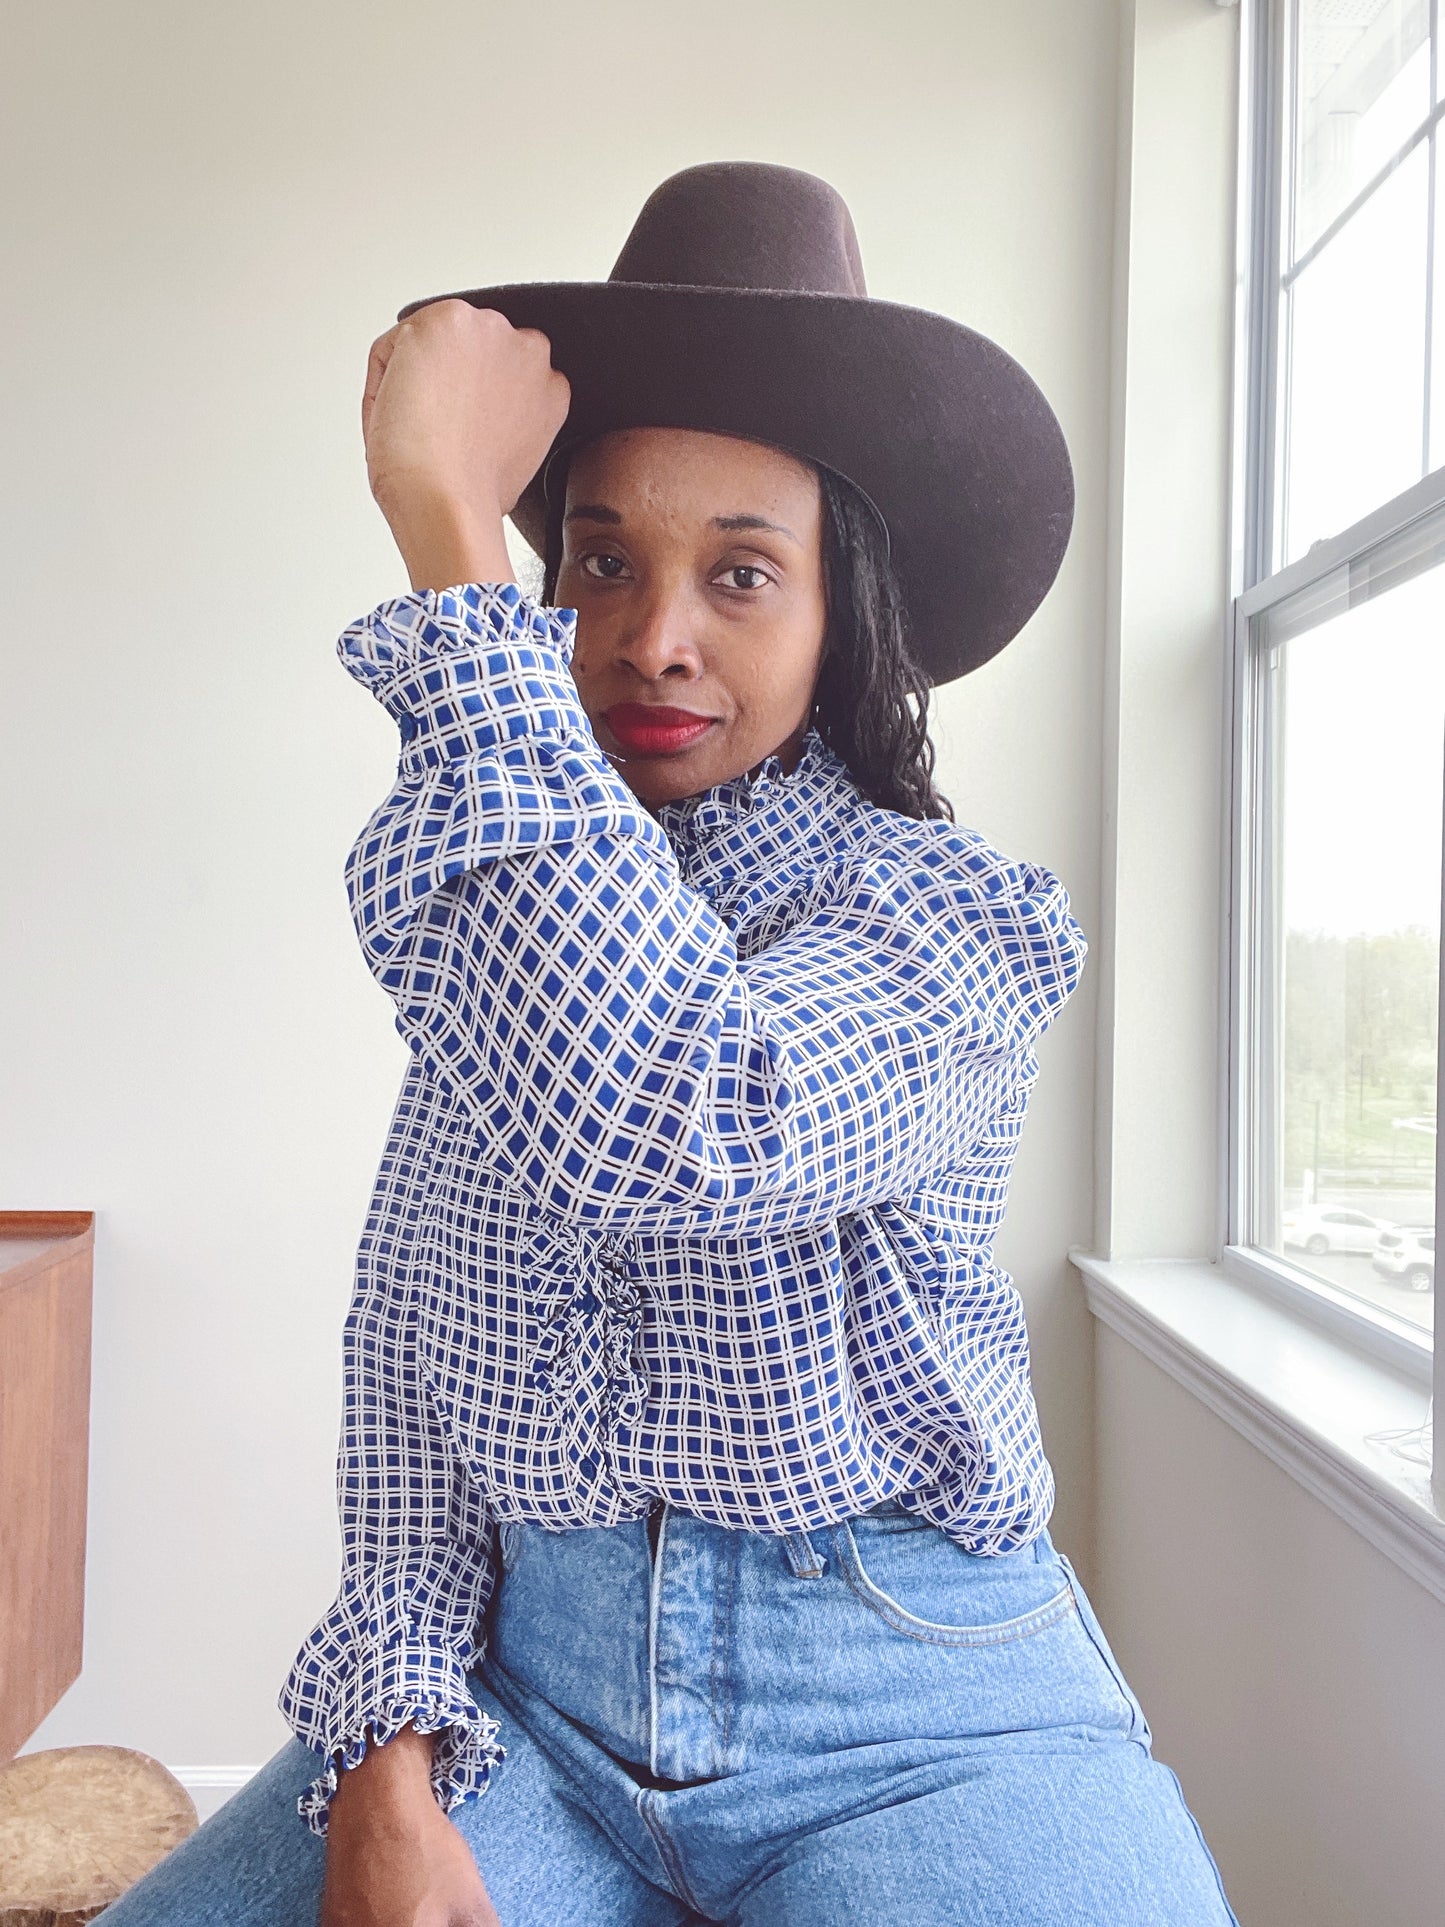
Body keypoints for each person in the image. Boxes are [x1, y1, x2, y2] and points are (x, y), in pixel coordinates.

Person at [101, 163, 1238, 1926]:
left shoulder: (955, 926)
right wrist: (383, 1760)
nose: (651, 639)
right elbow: (412, 1374)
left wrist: (447, 536)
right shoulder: (495, 905)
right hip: (527, 1705)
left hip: (915, 1704)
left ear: (843, 614)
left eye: (741, 573)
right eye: (600, 558)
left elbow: (684, 1113)